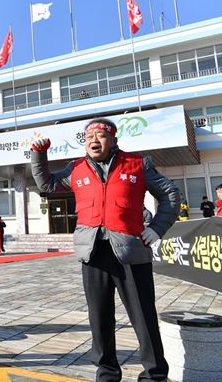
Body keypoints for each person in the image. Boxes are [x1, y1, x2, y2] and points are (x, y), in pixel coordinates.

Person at [30, 118, 179, 382]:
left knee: (143, 316)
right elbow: (47, 185)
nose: (94, 141)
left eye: (100, 135)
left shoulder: (137, 164)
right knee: (99, 316)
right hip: (93, 252)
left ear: (114, 140)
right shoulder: (75, 168)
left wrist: (156, 228)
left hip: (131, 252)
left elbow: (170, 193)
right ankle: (107, 372)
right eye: (89, 137)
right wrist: (38, 155)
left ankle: (154, 374)